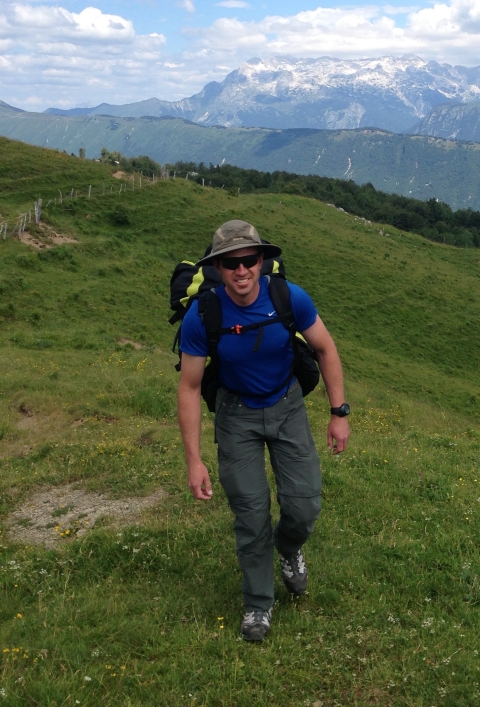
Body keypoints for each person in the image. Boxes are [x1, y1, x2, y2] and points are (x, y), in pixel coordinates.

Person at [177, 220, 350, 642]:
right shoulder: (204, 315)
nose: (241, 271)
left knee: (305, 505)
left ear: (262, 261)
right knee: (251, 513)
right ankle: (258, 605)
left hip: (287, 404)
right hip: (236, 416)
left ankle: (289, 548)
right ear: (217, 268)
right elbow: (189, 386)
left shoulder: (288, 297)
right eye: (230, 263)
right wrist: (194, 460)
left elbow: (326, 349)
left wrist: (339, 412)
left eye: (249, 260)